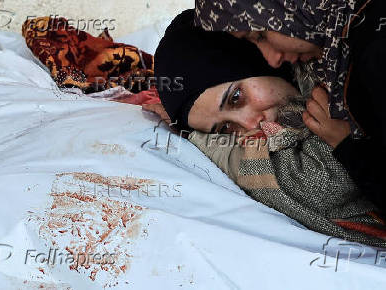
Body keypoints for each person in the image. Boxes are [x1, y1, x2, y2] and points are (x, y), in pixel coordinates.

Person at [145, 9, 386, 247]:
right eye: (225, 128)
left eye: (236, 97)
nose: (250, 125)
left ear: (256, 57)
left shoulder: (345, 77)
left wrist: (197, 138)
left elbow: (320, 186)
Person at [194, 0, 386, 213]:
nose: (273, 59)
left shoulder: (372, 52)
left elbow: (324, 185)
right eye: (224, 129)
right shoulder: (334, 57)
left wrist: (346, 145)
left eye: (260, 36)